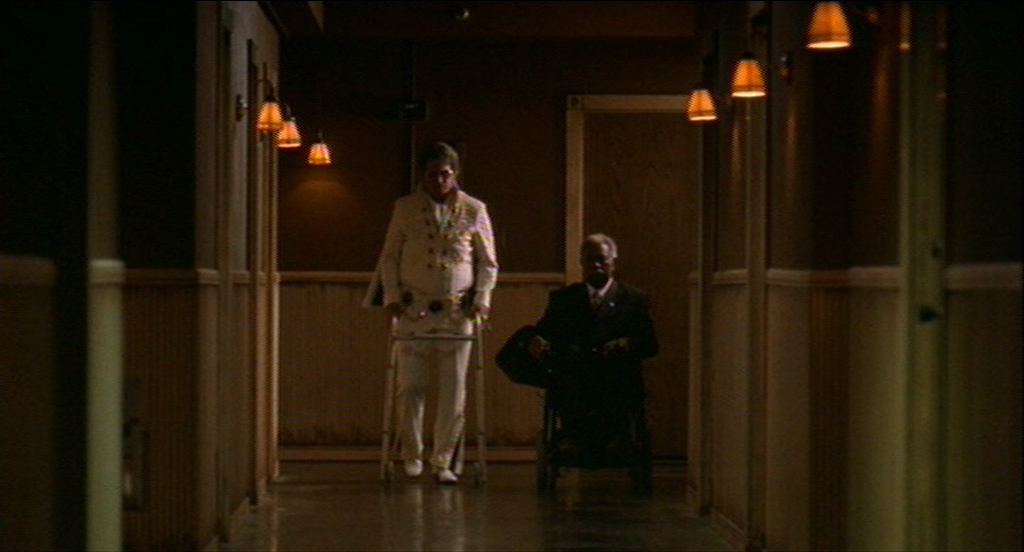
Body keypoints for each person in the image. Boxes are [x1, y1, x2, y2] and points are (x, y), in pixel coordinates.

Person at [368, 141, 498, 484]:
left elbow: (488, 262)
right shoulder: (405, 208)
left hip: (457, 310)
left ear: (455, 174)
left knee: (454, 389)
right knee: (410, 385)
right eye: (432, 174)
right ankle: (411, 454)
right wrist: (391, 296)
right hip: (414, 309)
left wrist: (482, 298)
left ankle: (442, 461)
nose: (439, 181)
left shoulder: (474, 209)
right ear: (422, 176)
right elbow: (389, 256)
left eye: (445, 174)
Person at [527, 233, 658, 460]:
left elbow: (650, 344)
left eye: (601, 260)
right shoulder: (564, 299)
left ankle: (618, 438)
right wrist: (537, 339)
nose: (596, 265)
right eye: (590, 260)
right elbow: (545, 331)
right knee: (566, 377)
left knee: (618, 381)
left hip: (617, 373)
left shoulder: (633, 299)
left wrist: (624, 343)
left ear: (613, 263)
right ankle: (572, 438)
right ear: (581, 263)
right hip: (575, 373)